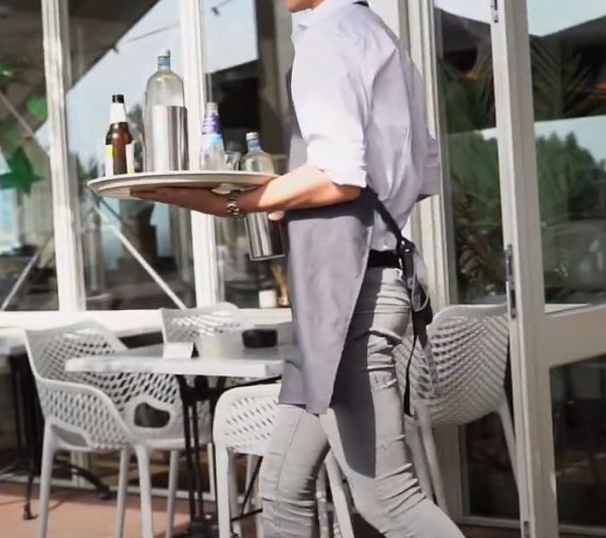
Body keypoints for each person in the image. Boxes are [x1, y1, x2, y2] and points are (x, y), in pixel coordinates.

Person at [133, 0, 464, 535]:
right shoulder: (381, 39)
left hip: (347, 299)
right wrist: (300, 198)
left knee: (388, 500)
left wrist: (231, 202)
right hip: (357, 287)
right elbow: (422, 174)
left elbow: (341, 177)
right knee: (283, 486)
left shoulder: (326, 40)